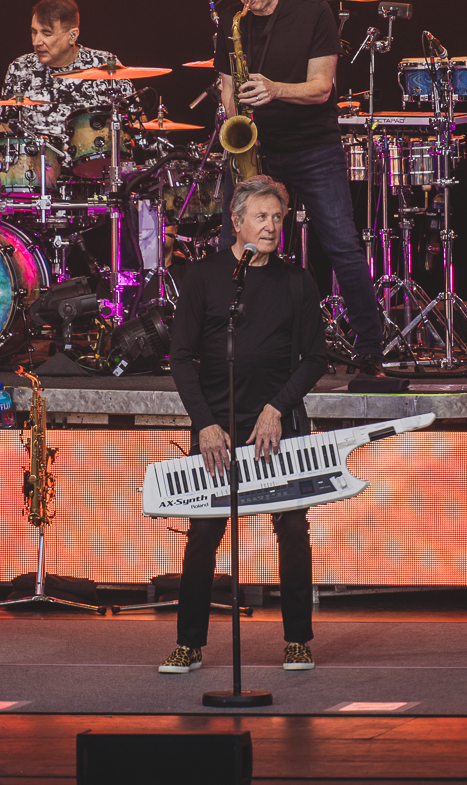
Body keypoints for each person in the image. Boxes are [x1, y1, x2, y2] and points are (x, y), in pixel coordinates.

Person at [160, 175, 326, 674]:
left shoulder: (297, 281)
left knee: (293, 529)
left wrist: (277, 408)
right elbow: (181, 357)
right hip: (219, 429)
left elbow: (314, 358)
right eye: (261, 216)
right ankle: (188, 644)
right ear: (236, 222)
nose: (272, 226)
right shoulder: (205, 277)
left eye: (277, 217)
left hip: (278, 425)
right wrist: (205, 425)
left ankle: (298, 639)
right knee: (204, 535)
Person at [213, 0, 386, 375]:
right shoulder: (233, 20)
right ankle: (237, 343)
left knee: (342, 244)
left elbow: (321, 87)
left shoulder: (314, 12)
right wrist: (239, 119)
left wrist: (273, 89)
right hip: (257, 149)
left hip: (312, 146)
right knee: (235, 245)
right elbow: (228, 88)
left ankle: (369, 346)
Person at [0, 0, 132, 158]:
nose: (37, 42)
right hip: (35, 178)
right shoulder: (20, 68)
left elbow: (136, 126)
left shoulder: (104, 66)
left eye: (47, 33)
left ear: (72, 35)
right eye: (33, 32)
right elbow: (3, 134)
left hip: (94, 178)